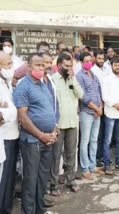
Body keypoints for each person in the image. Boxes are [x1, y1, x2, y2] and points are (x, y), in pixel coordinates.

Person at [13, 53, 58, 214]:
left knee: (42, 178)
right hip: (33, 141)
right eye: (37, 65)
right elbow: (23, 118)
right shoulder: (23, 87)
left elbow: (48, 110)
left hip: (48, 139)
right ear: (29, 67)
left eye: (42, 65)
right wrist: (41, 135)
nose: (41, 68)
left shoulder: (42, 84)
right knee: (31, 180)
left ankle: (40, 210)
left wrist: (53, 130)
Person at [50, 53, 83, 195]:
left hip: (72, 122)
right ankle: (54, 184)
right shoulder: (52, 80)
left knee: (71, 153)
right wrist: (53, 124)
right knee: (55, 155)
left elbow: (81, 95)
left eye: (71, 66)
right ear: (58, 66)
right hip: (58, 124)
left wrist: (73, 78)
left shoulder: (72, 79)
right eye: (66, 66)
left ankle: (70, 180)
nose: (69, 68)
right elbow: (50, 104)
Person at [76, 52, 104, 180]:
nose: (88, 63)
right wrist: (96, 109)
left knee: (94, 140)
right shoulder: (79, 76)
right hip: (86, 113)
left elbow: (99, 92)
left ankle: (93, 166)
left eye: (90, 61)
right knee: (85, 141)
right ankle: (85, 168)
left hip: (96, 113)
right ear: (81, 63)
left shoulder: (94, 75)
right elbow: (83, 96)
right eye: (86, 61)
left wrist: (100, 108)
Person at [101, 58, 119, 175]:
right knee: (107, 140)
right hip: (110, 113)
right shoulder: (106, 79)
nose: (117, 67)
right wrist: (115, 104)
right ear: (111, 66)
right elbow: (105, 96)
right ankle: (107, 165)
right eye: (115, 65)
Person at [0, 52, 19, 214]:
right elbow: (5, 114)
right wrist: (7, 112)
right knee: (3, 178)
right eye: (7, 64)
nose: (10, 68)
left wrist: (9, 110)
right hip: (4, 137)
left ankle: (7, 206)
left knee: (10, 176)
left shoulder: (7, 82)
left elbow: (12, 109)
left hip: (13, 134)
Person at [91, 49, 110, 166]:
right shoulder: (92, 71)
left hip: (106, 105)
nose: (101, 61)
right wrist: (98, 107)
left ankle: (102, 157)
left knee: (104, 133)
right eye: (99, 58)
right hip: (96, 107)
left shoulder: (106, 70)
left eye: (103, 59)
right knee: (96, 135)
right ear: (95, 58)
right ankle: (96, 158)